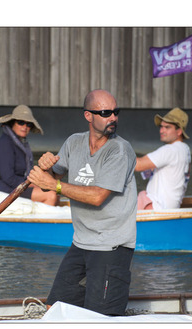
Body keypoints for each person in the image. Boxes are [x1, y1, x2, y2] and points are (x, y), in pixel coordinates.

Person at [27, 89, 137, 316]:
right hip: (81, 243)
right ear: (88, 116)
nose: (113, 118)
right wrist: (46, 166)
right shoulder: (73, 143)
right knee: (54, 309)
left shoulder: (120, 150)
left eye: (116, 112)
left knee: (99, 317)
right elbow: (52, 177)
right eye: (106, 113)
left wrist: (55, 185)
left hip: (111, 246)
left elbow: (97, 197)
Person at [0, 104, 58, 206]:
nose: (25, 127)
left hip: (18, 185)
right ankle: (42, 221)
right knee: (50, 195)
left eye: (28, 124)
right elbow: (8, 178)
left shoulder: (20, 142)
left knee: (55, 192)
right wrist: (34, 183)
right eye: (21, 122)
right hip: (5, 189)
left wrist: (38, 182)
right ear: (13, 123)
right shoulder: (5, 143)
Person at [135, 107, 191, 210]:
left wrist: (114, 154)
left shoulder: (170, 150)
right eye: (161, 127)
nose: (162, 130)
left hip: (156, 210)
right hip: (170, 209)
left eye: (167, 127)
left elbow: (137, 165)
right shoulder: (185, 150)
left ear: (179, 131)